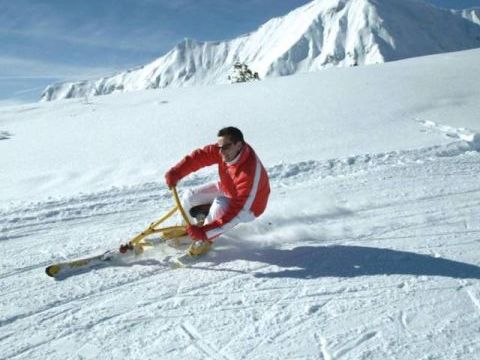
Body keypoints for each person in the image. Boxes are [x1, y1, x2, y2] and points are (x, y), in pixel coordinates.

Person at [165, 126, 270, 256]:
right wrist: (176, 172)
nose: (221, 152)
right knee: (189, 195)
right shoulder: (225, 150)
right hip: (228, 188)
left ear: (239, 145)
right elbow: (199, 157)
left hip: (249, 207)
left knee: (220, 204)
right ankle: (184, 228)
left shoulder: (249, 174)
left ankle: (202, 240)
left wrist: (206, 232)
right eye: (219, 147)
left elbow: (237, 213)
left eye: (225, 147)